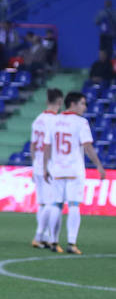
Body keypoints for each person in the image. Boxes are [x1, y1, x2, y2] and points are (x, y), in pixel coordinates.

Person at [42, 92, 107, 255]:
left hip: (56, 169)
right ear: (73, 104)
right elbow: (87, 147)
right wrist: (98, 165)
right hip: (74, 169)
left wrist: (45, 167)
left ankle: (53, 241)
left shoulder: (54, 121)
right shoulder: (81, 122)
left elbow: (47, 146)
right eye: (82, 103)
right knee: (73, 205)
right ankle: (71, 242)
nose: (85, 107)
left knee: (56, 205)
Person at [29, 89, 63, 250]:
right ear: (60, 102)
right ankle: (42, 236)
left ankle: (41, 237)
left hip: (37, 164)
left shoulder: (38, 119)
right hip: (49, 165)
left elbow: (33, 145)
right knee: (51, 203)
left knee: (42, 204)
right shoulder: (56, 121)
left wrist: (34, 163)